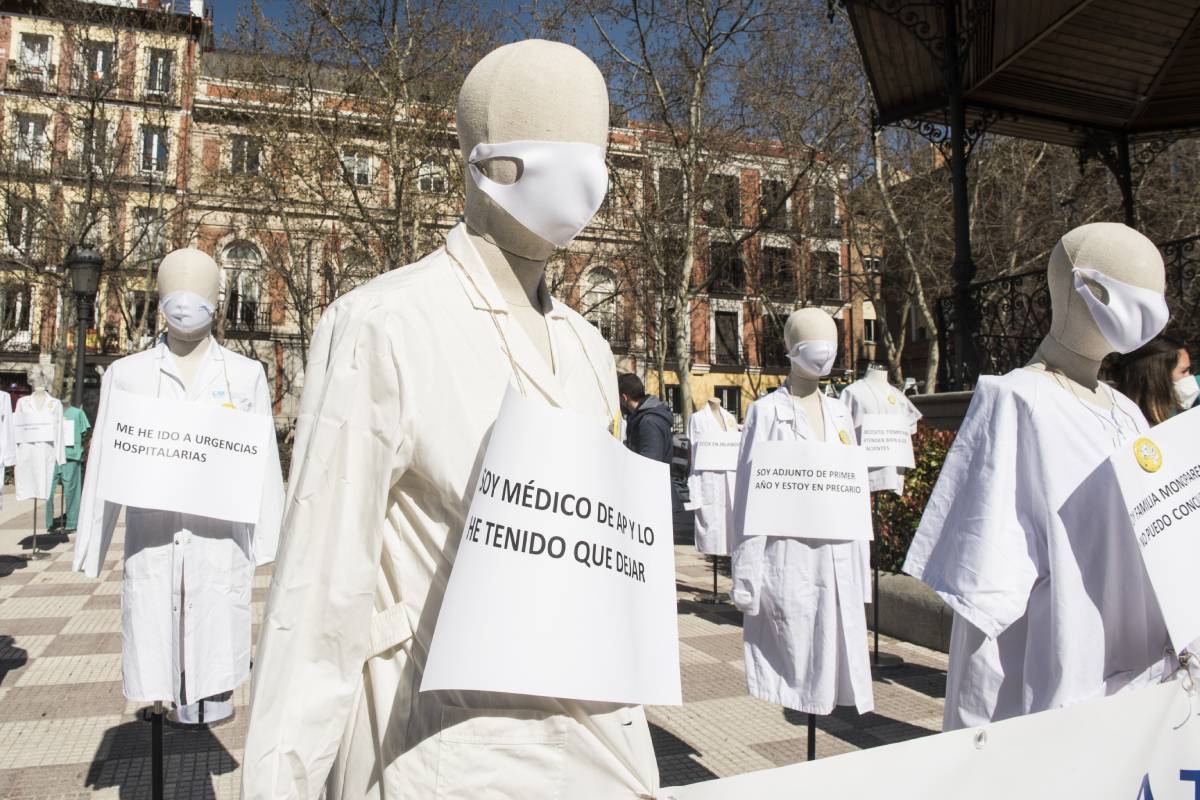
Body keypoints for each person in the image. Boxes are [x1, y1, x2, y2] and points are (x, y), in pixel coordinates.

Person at [618, 372, 680, 511]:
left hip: (654, 502)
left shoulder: (648, 422)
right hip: (656, 497)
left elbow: (649, 465)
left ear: (624, 397)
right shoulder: (645, 417)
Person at [1113, 336, 1196, 424]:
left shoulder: (1175, 412)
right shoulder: (1121, 419)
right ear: (1158, 375)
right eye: (1183, 371)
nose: (1189, 376)